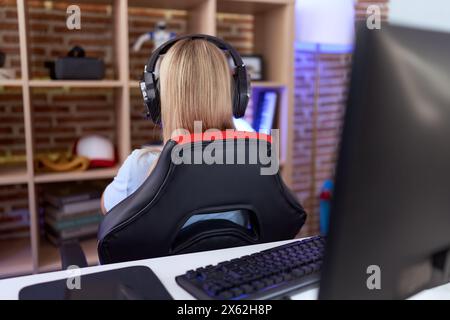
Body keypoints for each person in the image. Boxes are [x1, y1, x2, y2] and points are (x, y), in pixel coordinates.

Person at [101, 38, 254, 227]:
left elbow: (107, 210)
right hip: (234, 258)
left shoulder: (140, 166)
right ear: (236, 95)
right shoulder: (253, 162)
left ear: (156, 99)